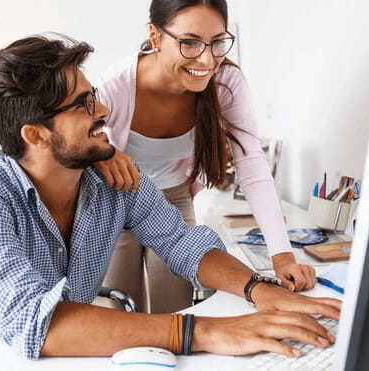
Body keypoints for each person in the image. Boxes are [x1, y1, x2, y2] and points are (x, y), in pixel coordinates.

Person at [0, 35, 340, 360]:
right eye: (84, 103)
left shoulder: (113, 177)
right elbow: (32, 323)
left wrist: (259, 289)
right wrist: (208, 333)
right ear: (36, 135)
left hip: (66, 359)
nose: (105, 109)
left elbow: (183, 244)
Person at [95, 0, 315, 314]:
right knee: (114, 306)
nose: (207, 59)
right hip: (116, 200)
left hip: (173, 201)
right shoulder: (116, 86)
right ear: (155, 36)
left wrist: (282, 255)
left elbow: (251, 163)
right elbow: (81, 146)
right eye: (189, 42)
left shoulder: (226, 82)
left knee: (175, 308)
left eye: (217, 42)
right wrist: (103, 152)